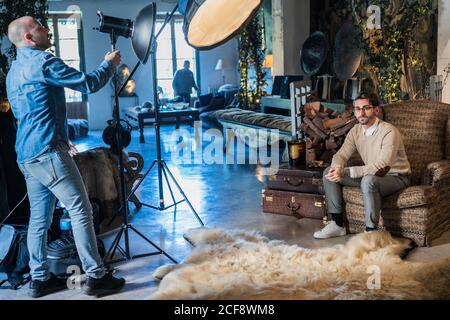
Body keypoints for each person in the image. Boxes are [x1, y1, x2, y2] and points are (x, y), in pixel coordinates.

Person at [6, 16, 125, 298]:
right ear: (28, 37)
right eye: (38, 25)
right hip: (48, 152)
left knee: (39, 218)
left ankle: (39, 279)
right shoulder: (43, 61)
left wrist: (59, 135)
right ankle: (96, 277)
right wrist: (109, 63)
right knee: (80, 210)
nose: (45, 28)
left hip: (26, 155)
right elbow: (89, 83)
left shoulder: (14, 70)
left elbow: (31, 111)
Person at [313, 91, 411, 239]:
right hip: (371, 175)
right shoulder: (356, 131)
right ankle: (337, 225)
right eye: (358, 109)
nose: (361, 113)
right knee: (329, 172)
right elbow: (341, 154)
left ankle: (371, 232)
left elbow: (382, 166)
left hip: (396, 177)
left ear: (376, 110)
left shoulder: (389, 131)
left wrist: (346, 172)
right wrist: (337, 168)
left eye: (366, 108)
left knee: (368, 180)